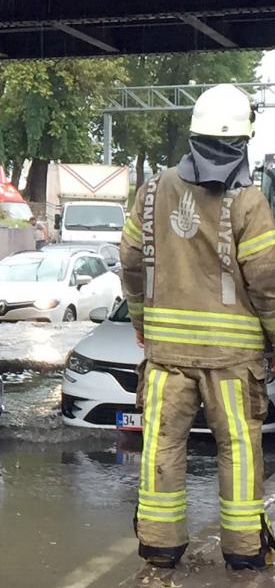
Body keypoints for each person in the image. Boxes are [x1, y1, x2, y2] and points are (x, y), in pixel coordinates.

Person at [121, 84, 275, 571]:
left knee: (162, 445)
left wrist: (142, 323)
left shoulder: (150, 194)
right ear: (242, 143)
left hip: (166, 357)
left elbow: (130, 263)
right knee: (239, 451)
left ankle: (160, 547)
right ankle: (245, 551)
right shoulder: (249, 202)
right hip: (233, 362)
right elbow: (267, 283)